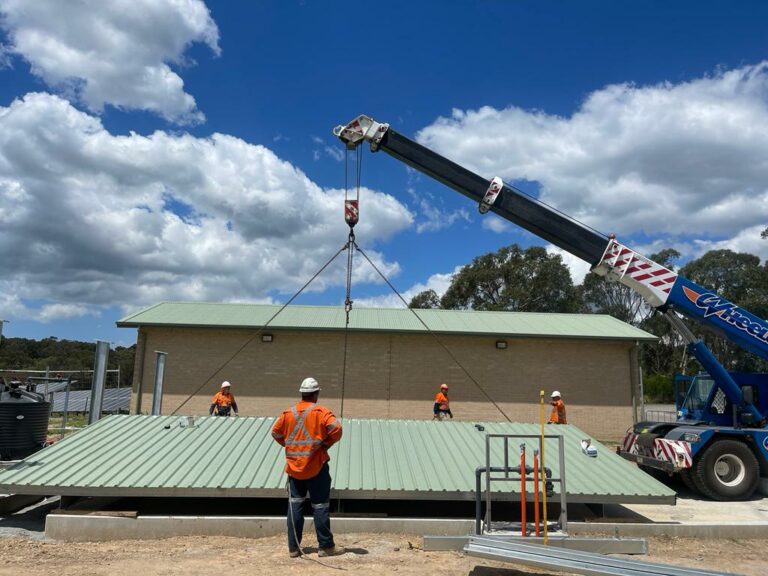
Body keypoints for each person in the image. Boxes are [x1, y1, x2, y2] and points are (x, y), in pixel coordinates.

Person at [271, 377, 345, 558]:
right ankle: (325, 547)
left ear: (302, 393)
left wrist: (290, 446)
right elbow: (337, 430)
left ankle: (294, 548)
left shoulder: (288, 414)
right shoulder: (321, 412)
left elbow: (275, 432)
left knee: (295, 506)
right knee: (320, 506)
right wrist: (325, 445)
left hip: (295, 468)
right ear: (316, 394)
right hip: (317, 466)